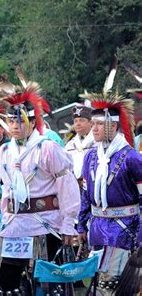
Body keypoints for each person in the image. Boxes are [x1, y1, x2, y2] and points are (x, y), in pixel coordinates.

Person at [0, 69, 80, 294]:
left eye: (20, 121)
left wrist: (69, 224)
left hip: (45, 223)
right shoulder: (6, 151)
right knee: (7, 282)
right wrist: (5, 222)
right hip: (14, 226)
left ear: (32, 121)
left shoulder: (47, 148)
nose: (15, 126)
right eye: (11, 121)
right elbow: (7, 189)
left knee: (47, 285)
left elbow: (67, 185)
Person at [77, 71, 141, 294]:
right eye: (92, 123)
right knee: (97, 284)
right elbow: (86, 194)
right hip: (97, 229)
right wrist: (81, 224)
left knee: (112, 286)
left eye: (98, 124)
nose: (93, 128)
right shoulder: (90, 156)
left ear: (113, 126)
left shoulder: (132, 158)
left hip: (124, 230)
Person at [65, 104, 95, 182]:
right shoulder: (70, 144)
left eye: (82, 120)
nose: (78, 124)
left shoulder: (97, 142)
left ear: (90, 123)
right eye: (75, 121)